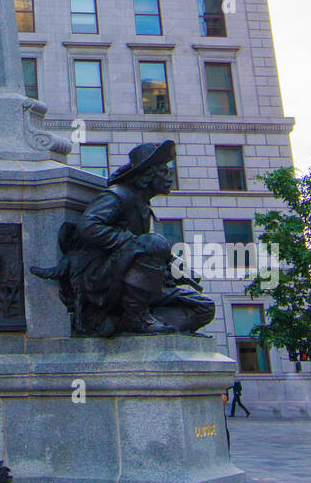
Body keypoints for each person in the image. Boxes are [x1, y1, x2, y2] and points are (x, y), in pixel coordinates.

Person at [32, 140, 215, 336]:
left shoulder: (141, 203)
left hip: (137, 282)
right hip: (103, 279)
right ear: (147, 176)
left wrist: (177, 268)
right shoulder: (118, 195)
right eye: (163, 171)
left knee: (204, 308)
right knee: (154, 242)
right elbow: (89, 226)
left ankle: (124, 322)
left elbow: (145, 252)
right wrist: (132, 242)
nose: (169, 176)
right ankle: (137, 317)